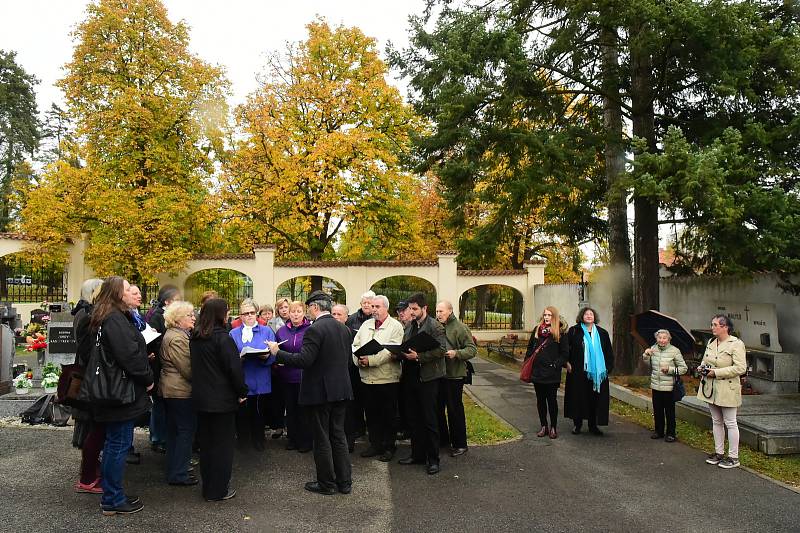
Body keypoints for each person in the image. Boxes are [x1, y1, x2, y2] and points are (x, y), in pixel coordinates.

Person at [267, 290, 353, 495]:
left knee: (322, 438)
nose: (308, 312)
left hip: (321, 392)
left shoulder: (314, 330)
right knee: (338, 436)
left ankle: (326, 484)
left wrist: (278, 353)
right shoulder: (343, 329)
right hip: (341, 390)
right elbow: (347, 361)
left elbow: (304, 360)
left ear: (315, 307)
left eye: (308, 308)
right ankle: (344, 482)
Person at [89, 276, 154, 515]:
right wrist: (148, 379)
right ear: (118, 294)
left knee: (114, 444)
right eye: (127, 289)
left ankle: (112, 494)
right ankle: (112, 499)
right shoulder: (115, 319)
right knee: (118, 445)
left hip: (112, 390)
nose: (132, 292)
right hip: (119, 393)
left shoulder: (110, 317)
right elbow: (129, 357)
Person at [190, 299, 248, 501]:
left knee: (206, 446)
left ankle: (208, 488)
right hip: (222, 400)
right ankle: (219, 490)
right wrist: (242, 391)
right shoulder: (223, 338)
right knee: (222, 447)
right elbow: (234, 369)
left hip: (201, 398)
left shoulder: (196, 336)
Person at [398, 292, 447, 475]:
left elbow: (441, 350)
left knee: (429, 419)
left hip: (429, 378)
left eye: (414, 309)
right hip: (411, 376)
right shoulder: (410, 326)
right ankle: (417, 454)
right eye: (410, 308)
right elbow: (406, 343)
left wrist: (419, 356)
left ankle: (433, 459)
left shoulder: (435, 326)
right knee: (413, 418)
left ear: (424, 308)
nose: (411, 312)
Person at [352, 295, 404, 462]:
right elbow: (355, 345)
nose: (373, 309)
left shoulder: (395, 326)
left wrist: (371, 361)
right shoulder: (366, 325)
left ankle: (389, 446)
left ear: (386, 308)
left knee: (387, 415)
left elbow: (391, 351)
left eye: (377, 306)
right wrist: (358, 360)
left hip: (386, 378)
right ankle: (375, 444)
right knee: (372, 414)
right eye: (372, 306)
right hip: (366, 378)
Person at [699, 315, 746, 469]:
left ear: (725, 327)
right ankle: (719, 453)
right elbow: (706, 360)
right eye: (712, 324)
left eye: (715, 325)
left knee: (731, 422)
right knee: (716, 421)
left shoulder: (736, 344)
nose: (712, 327)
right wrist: (702, 367)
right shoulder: (711, 342)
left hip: (728, 388)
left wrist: (716, 373)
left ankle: (733, 457)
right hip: (711, 388)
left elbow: (740, 368)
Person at [229, 298, 276, 452]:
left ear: (257, 314)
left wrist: (267, 357)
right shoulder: (233, 333)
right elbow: (228, 356)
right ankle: (243, 441)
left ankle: (259, 439)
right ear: (240, 316)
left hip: (260, 376)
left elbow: (275, 354)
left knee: (259, 411)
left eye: (252, 313)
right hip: (242, 377)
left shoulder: (267, 331)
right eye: (245, 313)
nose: (249, 316)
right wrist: (239, 358)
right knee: (242, 413)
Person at [71, 278, 104, 494]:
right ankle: (88, 476)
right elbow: (87, 351)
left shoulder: (85, 313)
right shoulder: (86, 316)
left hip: (90, 377)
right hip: (88, 379)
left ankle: (90, 470)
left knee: (92, 428)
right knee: (91, 429)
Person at [160, 300, 197, 485]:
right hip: (179, 391)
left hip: (174, 389)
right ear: (177, 319)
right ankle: (179, 473)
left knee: (176, 432)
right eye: (189, 315)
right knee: (184, 432)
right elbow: (188, 369)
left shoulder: (179, 335)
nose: (193, 317)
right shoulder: (177, 338)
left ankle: (175, 470)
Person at [435, 300, 477, 456]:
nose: (438, 314)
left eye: (441, 311)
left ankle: (460, 444)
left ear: (450, 311)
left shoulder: (460, 328)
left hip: (455, 375)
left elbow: (472, 350)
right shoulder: (436, 326)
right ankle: (443, 440)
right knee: (438, 409)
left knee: (454, 410)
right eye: (437, 311)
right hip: (439, 374)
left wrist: (456, 353)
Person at [564, 307, 614, 436]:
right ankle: (577, 424)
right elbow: (566, 349)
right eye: (586, 314)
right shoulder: (574, 331)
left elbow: (608, 351)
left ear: (594, 317)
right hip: (578, 372)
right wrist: (567, 363)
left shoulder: (602, 333)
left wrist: (608, 368)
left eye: (591, 314)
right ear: (582, 316)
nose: (589, 316)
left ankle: (593, 425)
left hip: (598, 373)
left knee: (595, 398)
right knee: (578, 397)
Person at [274, 301, 313, 452]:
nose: (295, 314)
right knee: (290, 410)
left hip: (305, 376)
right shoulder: (281, 331)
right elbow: (277, 352)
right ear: (288, 314)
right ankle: (292, 438)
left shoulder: (311, 329)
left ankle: (305, 440)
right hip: (287, 376)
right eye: (293, 312)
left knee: (304, 410)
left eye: (298, 311)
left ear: (304, 313)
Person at [524, 306, 569, 439]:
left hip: (552, 373)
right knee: (540, 400)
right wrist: (528, 361)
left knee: (552, 400)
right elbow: (530, 348)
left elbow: (565, 353)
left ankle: (553, 427)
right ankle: (543, 426)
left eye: (549, 315)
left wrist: (555, 365)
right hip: (537, 371)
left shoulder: (560, 332)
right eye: (545, 315)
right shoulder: (537, 330)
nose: (546, 317)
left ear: (554, 316)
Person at [146, 285, 181, 455]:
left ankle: (162, 436)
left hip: (165, 367)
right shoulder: (157, 316)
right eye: (176, 299)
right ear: (167, 301)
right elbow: (154, 340)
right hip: (159, 366)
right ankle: (158, 438)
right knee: (159, 405)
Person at [642, 329, 688, 443]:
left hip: (669, 387)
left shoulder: (674, 351)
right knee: (657, 410)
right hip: (656, 385)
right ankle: (658, 431)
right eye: (660, 338)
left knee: (669, 411)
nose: (662, 340)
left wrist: (670, 369)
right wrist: (646, 355)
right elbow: (648, 364)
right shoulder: (653, 349)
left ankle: (671, 433)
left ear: (669, 339)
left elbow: (683, 368)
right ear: (656, 339)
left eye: (664, 338)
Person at [267, 298, 290, 439]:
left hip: (292, 361)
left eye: (286, 307)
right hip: (277, 364)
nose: (284, 310)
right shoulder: (272, 323)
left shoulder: (297, 321)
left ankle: (292, 427)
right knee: (278, 398)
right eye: (281, 307)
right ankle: (279, 426)